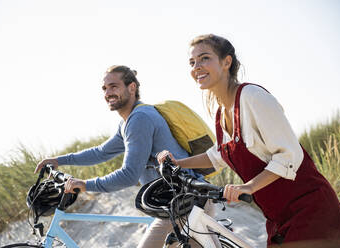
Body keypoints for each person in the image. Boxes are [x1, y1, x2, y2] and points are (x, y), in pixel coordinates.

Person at [157, 34, 340, 247]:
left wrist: (247, 187)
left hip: (311, 212)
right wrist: (177, 163)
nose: (197, 67)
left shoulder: (252, 97)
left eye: (204, 58)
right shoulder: (221, 112)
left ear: (226, 62)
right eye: (192, 62)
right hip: (278, 218)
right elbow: (218, 155)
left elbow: (290, 155)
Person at [34, 65, 213, 248]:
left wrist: (86, 184)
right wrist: (59, 160)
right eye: (105, 88)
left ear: (132, 87)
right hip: (177, 204)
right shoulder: (128, 121)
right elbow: (101, 152)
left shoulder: (140, 119)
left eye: (114, 86)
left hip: (184, 204)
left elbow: (129, 175)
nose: (108, 93)